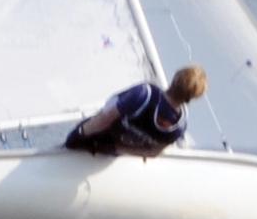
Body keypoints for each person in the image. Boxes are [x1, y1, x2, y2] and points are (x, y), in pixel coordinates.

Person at [64, 65, 208, 156]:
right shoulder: (179, 126)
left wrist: (79, 134)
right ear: (193, 97)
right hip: (111, 151)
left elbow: (105, 119)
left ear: (176, 78)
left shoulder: (145, 94)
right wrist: (115, 148)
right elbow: (153, 152)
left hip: (92, 136)